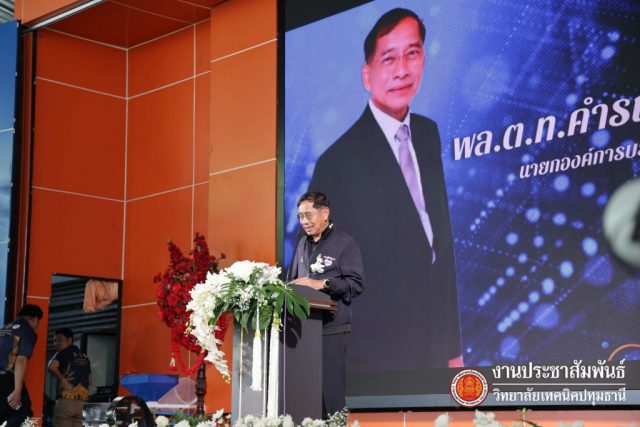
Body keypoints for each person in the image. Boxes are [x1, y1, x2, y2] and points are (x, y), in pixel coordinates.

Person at [308, 8, 463, 383]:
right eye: (389, 58)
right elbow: (322, 273)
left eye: (412, 54)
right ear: (367, 74)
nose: (402, 70)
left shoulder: (427, 134)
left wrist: (453, 348)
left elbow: (439, 249)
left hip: (433, 347)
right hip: (374, 359)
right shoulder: (336, 162)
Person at [287, 191, 364, 417]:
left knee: (330, 394)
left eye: (308, 215)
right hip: (303, 330)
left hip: (331, 328)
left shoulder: (344, 243)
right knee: (305, 394)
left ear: (325, 213)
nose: (304, 221)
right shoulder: (301, 244)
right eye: (300, 216)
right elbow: (293, 282)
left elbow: (356, 284)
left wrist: (322, 284)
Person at [0, 304, 43, 427]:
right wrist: (17, 390)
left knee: (4, 412)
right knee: (25, 413)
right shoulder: (27, 331)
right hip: (6, 379)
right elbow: (21, 360)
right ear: (35, 319)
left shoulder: (4, 329)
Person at [48, 328, 92, 427]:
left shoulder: (62, 353)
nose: (56, 343)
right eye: (54, 340)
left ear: (70, 340)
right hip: (82, 404)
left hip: (66, 401)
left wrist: (62, 380)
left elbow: (51, 367)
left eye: (60, 340)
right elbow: (89, 380)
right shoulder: (85, 357)